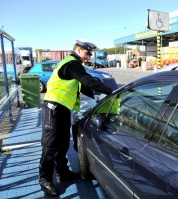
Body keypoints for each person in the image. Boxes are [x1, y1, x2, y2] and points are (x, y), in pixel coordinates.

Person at [39, 39, 113, 197]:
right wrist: (110, 91)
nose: (89, 56)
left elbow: (84, 86)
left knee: (63, 143)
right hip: (53, 108)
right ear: (78, 50)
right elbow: (88, 80)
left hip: (63, 109)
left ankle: (63, 172)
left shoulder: (73, 65)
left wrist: (99, 96)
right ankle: (44, 180)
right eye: (87, 52)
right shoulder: (72, 63)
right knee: (50, 146)